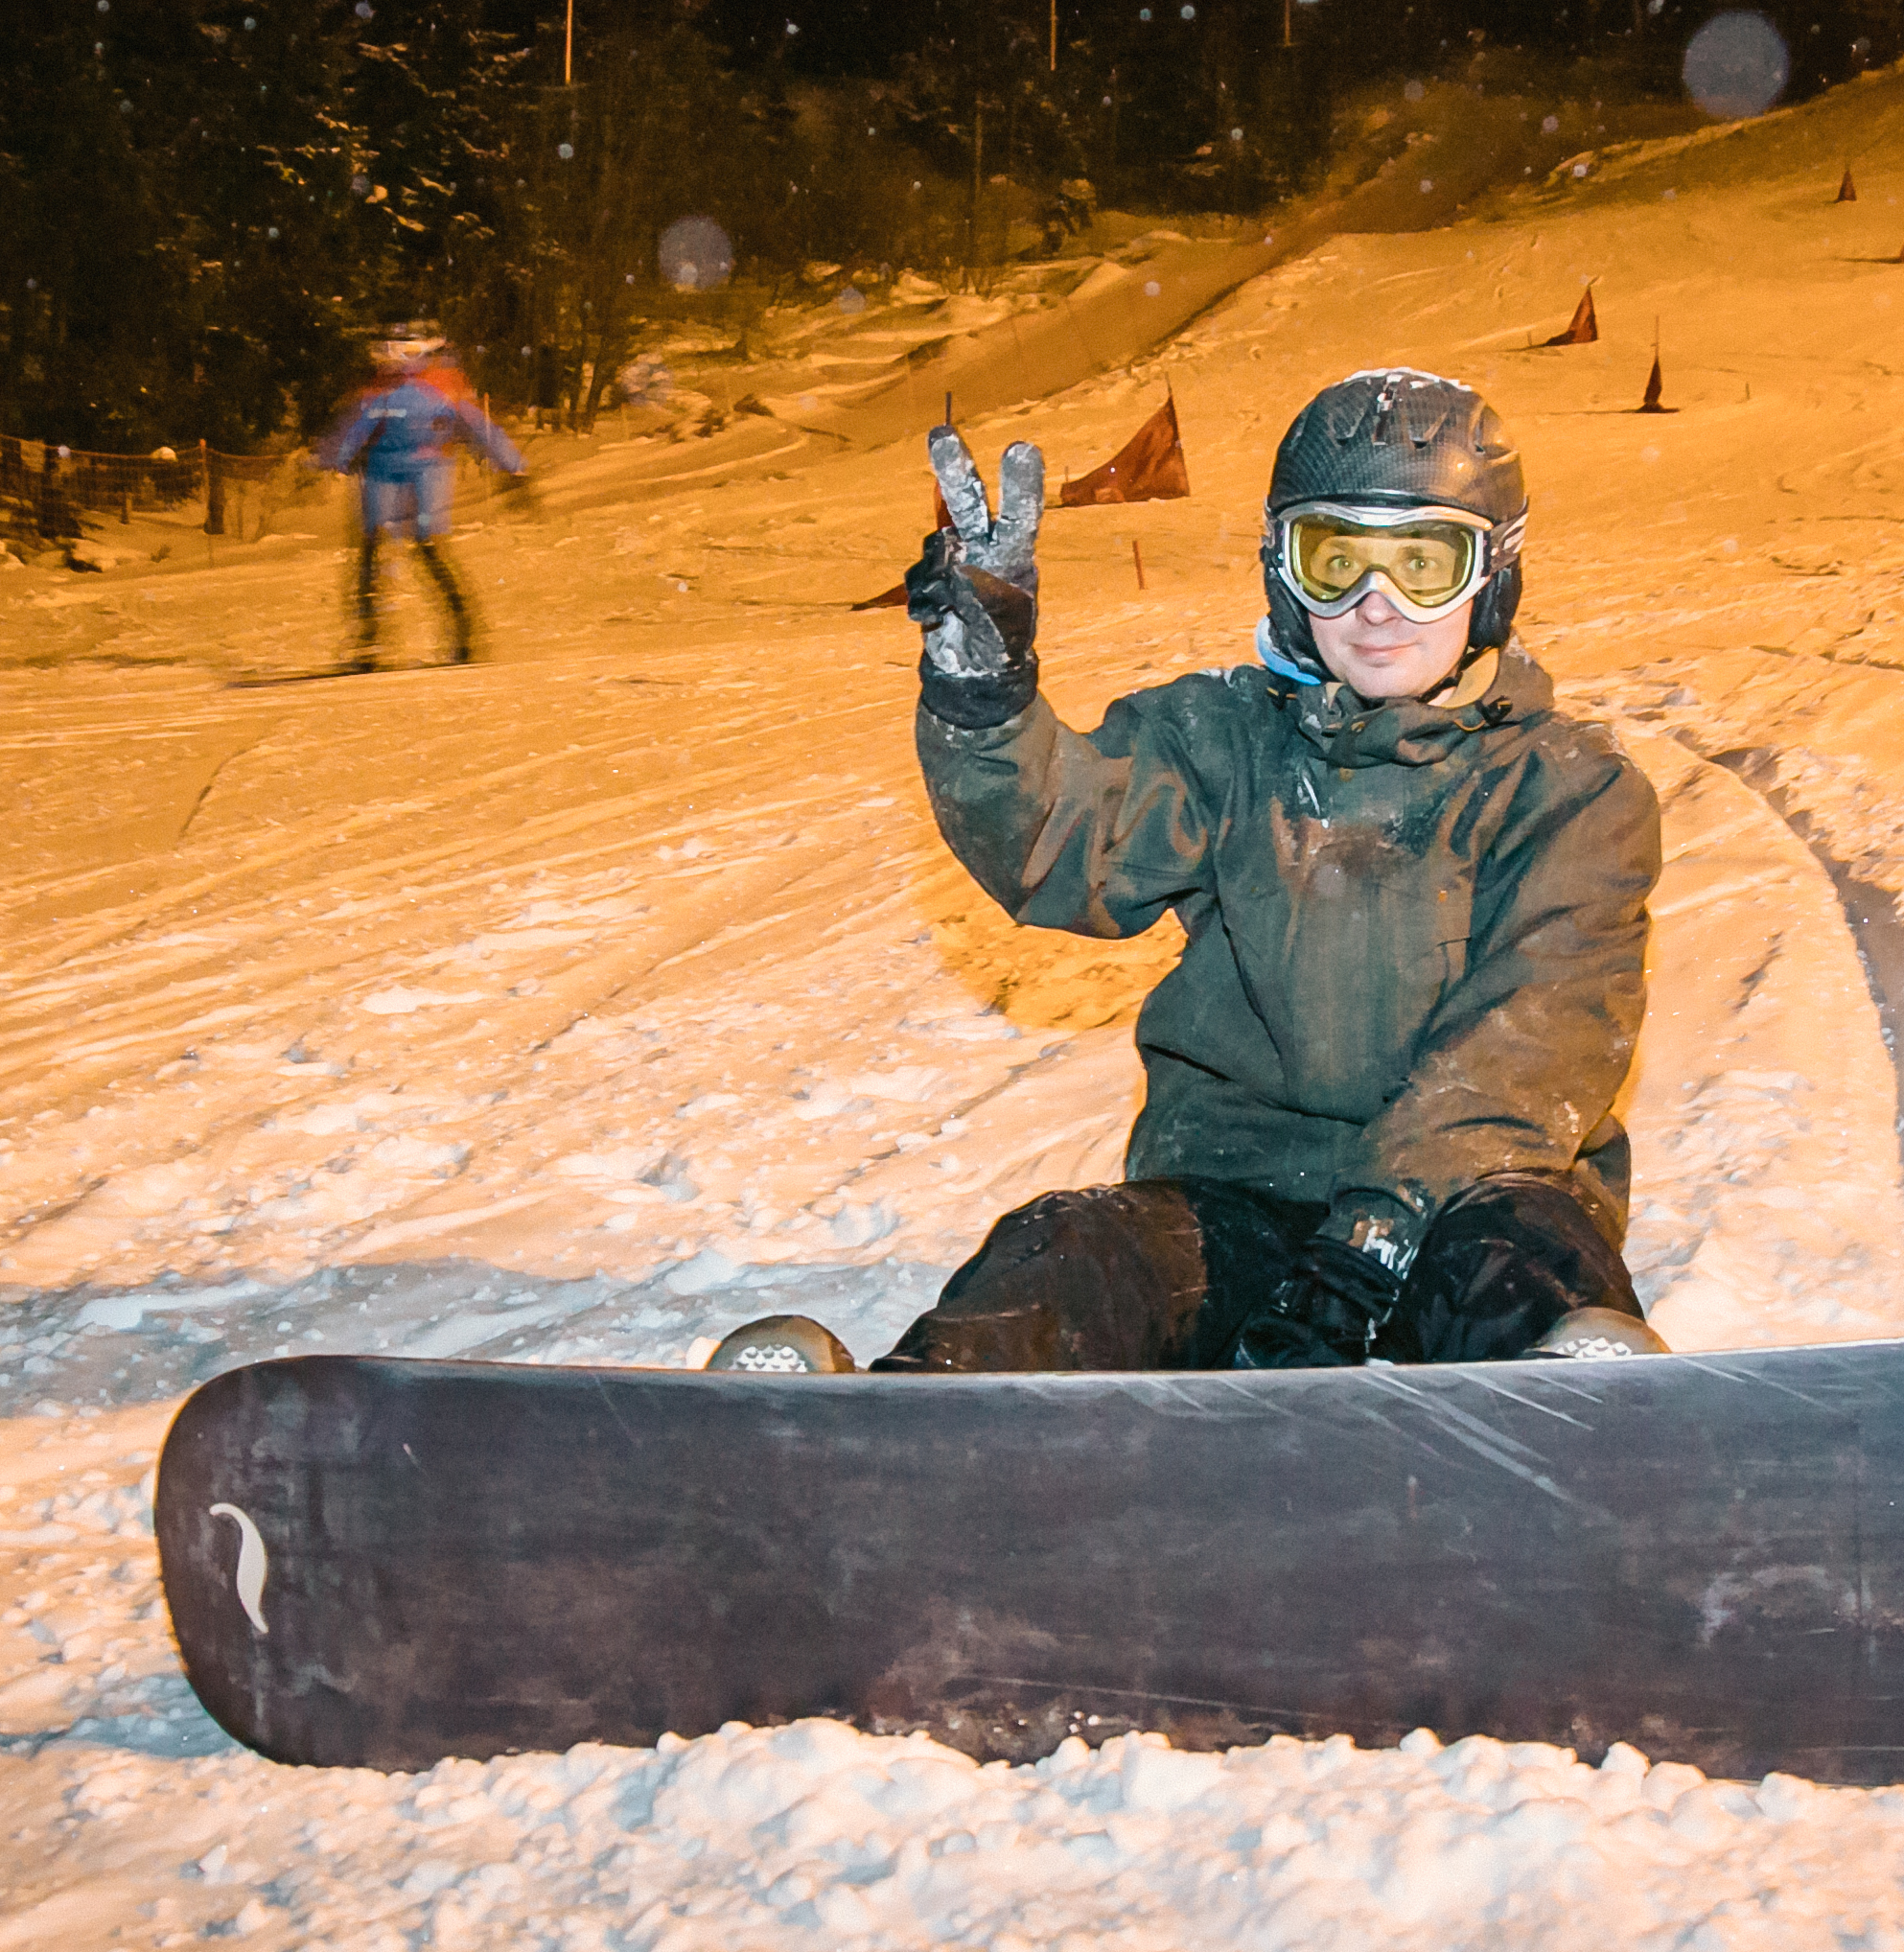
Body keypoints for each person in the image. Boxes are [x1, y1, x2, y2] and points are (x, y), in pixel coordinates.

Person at [714, 367, 1666, 1378]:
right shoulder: (1220, 741)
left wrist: (1371, 1244)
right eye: (1336, 558)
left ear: (1493, 576)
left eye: (1424, 563)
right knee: (1078, 1245)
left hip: (1468, 1199)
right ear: (1283, 570)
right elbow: (1057, 840)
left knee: (1529, 1260)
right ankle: (898, 1443)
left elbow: (1531, 1049)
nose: (1377, 606)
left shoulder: (1570, 789)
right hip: (1235, 1195)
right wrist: (983, 705)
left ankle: (1584, 1423)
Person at [311, 324, 526, 669]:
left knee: (427, 545)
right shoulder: (378, 387)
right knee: (371, 545)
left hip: (428, 469)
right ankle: (370, 640)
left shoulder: (442, 384)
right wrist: (332, 458)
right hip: (383, 469)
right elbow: (354, 425)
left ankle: (463, 635)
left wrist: (513, 466)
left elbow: (478, 426)